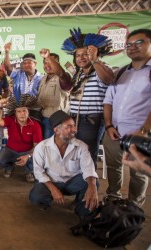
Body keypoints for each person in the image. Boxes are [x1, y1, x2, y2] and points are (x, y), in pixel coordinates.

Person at [103, 28, 151, 206]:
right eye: (129, 44)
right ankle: (113, 196)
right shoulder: (122, 71)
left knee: (138, 173)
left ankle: (134, 207)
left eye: (139, 42)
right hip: (114, 132)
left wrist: (144, 131)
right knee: (113, 167)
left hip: (140, 134)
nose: (132, 47)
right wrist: (108, 126)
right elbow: (108, 100)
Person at [29, 110, 99, 219]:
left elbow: (88, 168)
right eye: (69, 127)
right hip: (53, 182)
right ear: (56, 130)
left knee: (93, 183)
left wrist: (92, 187)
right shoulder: (42, 147)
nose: (74, 130)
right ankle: (46, 202)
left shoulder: (81, 146)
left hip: (73, 183)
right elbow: (39, 172)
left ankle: (81, 209)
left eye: (74, 126)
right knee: (35, 196)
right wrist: (53, 189)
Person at [61, 28, 115, 164]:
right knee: (75, 154)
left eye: (86, 54)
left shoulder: (101, 68)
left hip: (91, 120)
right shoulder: (78, 73)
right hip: (75, 119)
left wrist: (95, 60)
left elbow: (108, 79)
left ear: (95, 54)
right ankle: (78, 183)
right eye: (78, 55)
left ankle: (90, 184)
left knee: (88, 155)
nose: (81, 58)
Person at [0, 94, 43, 182]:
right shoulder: (10, 120)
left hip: (27, 152)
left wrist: (28, 156)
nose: (22, 114)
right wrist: (0, 106)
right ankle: (10, 166)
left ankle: (29, 170)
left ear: (29, 112)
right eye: (19, 111)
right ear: (15, 113)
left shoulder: (35, 125)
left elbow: (37, 146)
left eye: (24, 111)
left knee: (38, 157)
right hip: (10, 150)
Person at [36, 49, 72, 138]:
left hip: (57, 121)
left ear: (58, 64)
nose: (48, 65)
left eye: (51, 62)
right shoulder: (43, 78)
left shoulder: (63, 77)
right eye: (45, 62)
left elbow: (61, 74)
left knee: (54, 149)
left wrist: (48, 57)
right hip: (43, 118)